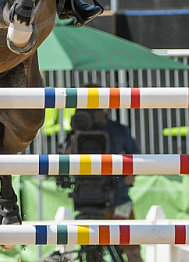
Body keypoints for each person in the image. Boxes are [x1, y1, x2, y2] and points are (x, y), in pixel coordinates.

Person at [59, 102, 142, 262]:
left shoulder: (118, 130)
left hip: (118, 199)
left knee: (132, 252)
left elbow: (136, 157)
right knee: (92, 253)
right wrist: (75, 138)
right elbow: (63, 163)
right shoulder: (77, 133)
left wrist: (129, 176)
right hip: (87, 199)